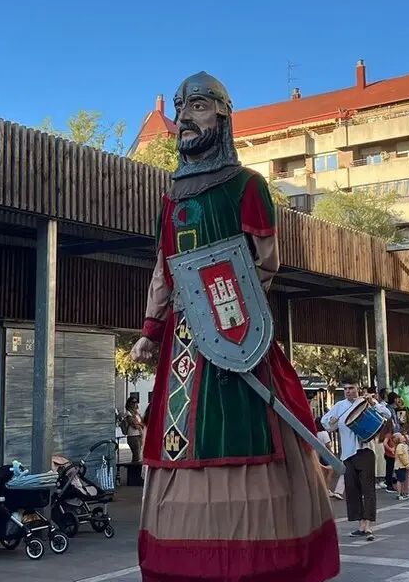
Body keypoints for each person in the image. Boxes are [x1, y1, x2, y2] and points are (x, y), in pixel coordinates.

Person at [129, 72, 338, 582]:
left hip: (233, 329)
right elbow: (165, 265)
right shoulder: (173, 195)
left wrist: (232, 318)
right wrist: (151, 329)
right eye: (181, 109)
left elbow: (263, 263)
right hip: (183, 345)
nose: (185, 120)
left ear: (222, 115)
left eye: (197, 107)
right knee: (180, 441)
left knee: (252, 428)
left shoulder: (248, 185)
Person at [322, 382, 390, 539]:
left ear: (357, 389)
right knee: (352, 490)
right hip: (347, 453)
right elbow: (327, 423)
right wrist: (331, 421)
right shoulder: (339, 406)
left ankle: (367, 524)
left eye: (351, 388)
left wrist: (374, 403)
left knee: (368, 489)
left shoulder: (365, 402)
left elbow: (386, 414)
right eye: (345, 389)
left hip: (365, 450)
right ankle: (360, 523)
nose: (348, 391)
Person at [122, 398, 144, 464]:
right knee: (136, 456)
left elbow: (143, 423)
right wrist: (140, 424)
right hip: (133, 437)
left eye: (136, 402)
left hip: (139, 435)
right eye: (133, 403)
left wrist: (139, 423)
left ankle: (136, 471)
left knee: (138, 455)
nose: (135, 404)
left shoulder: (137, 413)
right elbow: (135, 425)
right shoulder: (128, 413)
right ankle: (134, 471)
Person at [393, 433, 409, 500]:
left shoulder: (404, 446)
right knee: (400, 480)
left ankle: (402, 493)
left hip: (403, 466)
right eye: (402, 438)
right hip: (400, 466)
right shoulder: (400, 446)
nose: (404, 439)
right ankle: (399, 494)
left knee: (402, 480)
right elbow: (401, 456)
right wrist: (406, 464)